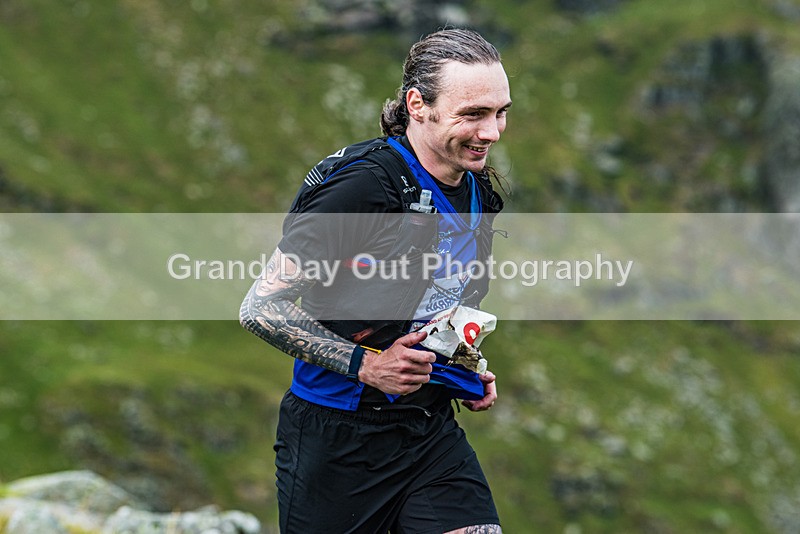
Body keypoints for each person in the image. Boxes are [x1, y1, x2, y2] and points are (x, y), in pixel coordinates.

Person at [240, 28, 511, 534]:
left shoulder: (477, 191)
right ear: (418, 104)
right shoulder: (365, 187)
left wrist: (463, 366)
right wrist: (368, 366)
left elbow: (437, 300)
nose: (492, 132)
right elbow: (260, 307)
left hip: (429, 432)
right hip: (337, 439)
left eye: (501, 112)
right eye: (473, 114)